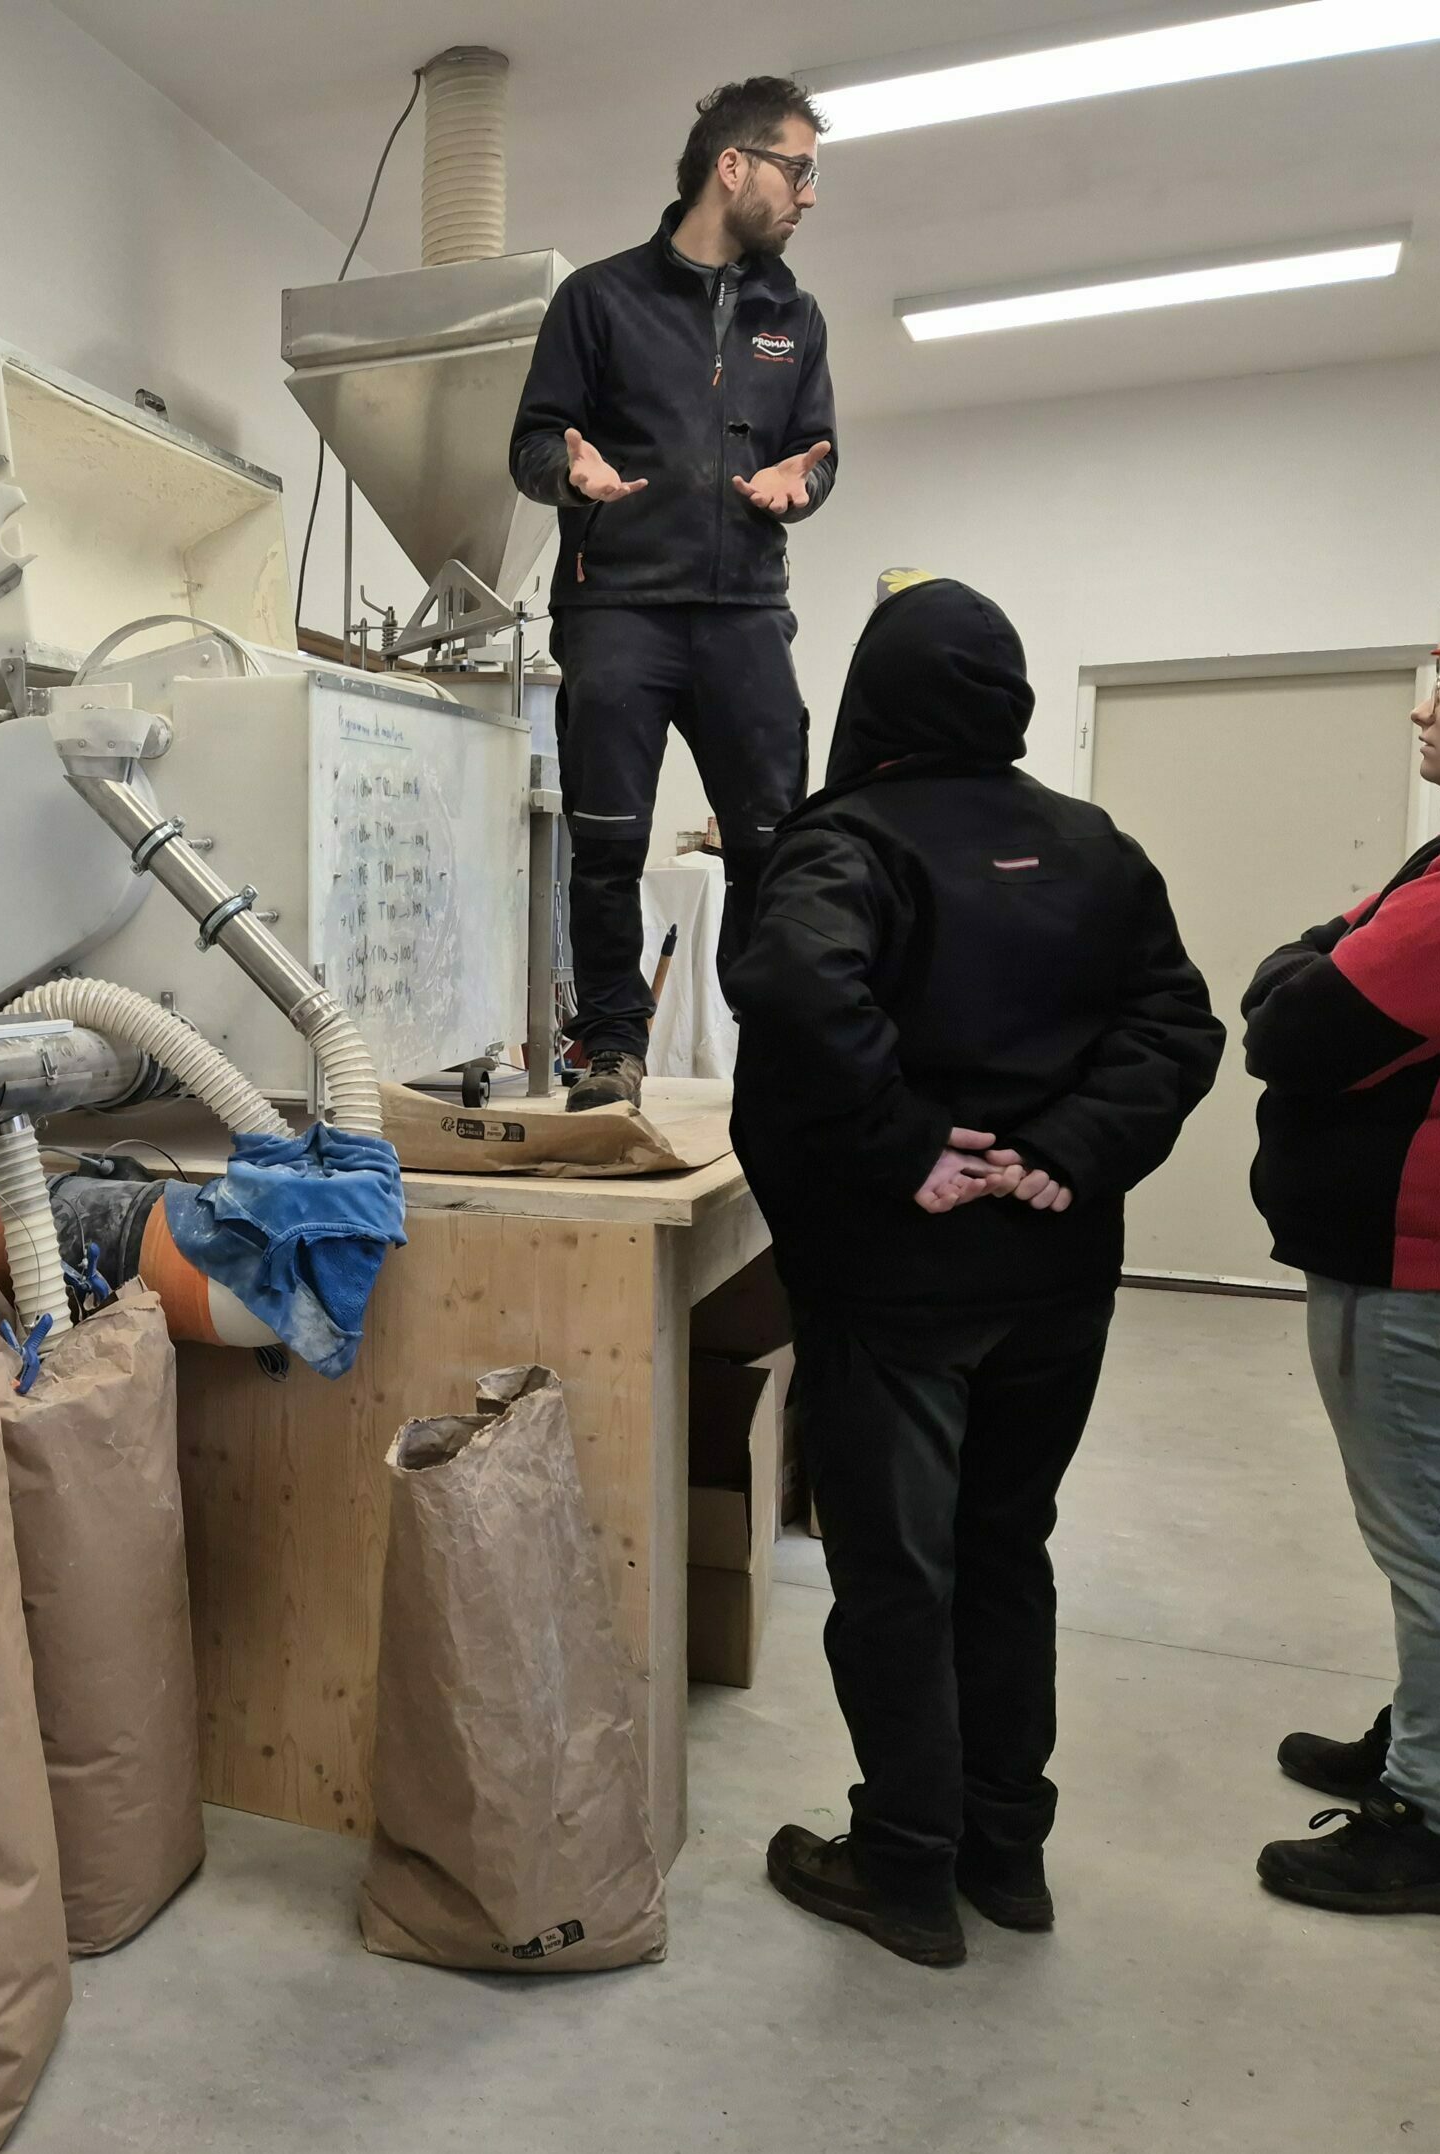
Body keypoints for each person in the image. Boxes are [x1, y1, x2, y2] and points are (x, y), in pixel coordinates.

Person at [726, 578, 1223, 1965]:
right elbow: (1177, 1023)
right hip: (1058, 1274)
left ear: (873, 695)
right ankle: (1009, 1854)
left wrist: (902, 1147)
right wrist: (1069, 1147)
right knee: (1009, 1550)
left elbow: (795, 986)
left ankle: (904, 1868)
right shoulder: (1093, 843)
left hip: (899, 1282)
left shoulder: (849, 839)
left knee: (898, 1575)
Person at [510, 76, 836, 1112]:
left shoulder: (795, 315)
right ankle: (610, 1046)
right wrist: (571, 474)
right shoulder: (598, 300)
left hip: (742, 609)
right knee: (605, 837)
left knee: (775, 845)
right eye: (797, 169)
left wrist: (801, 483)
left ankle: (774, 1037)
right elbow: (529, 445)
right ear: (729, 167)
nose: (808, 197)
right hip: (618, 608)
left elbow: (817, 455)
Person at [1242, 666, 1440, 1916]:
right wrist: (1310, 958)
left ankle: (1426, 1810)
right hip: (1400, 1249)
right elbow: (1303, 966)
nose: (1420, 713)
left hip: (1409, 1259)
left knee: (1422, 1541)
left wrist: (1310, 958)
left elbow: (1289, 1022)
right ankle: (1418, 1732)